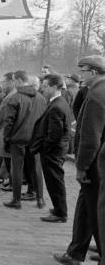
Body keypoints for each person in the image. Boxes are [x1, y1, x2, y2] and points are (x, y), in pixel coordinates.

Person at [54, 55, 105, 265]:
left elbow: (90, 137)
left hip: (95, 162)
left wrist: (82, 167)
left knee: (95, 209)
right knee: (87, 207)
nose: (80, 74)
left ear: (93, 72)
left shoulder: (96, 94)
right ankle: (76, 252)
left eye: (82, 70)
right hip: (99, 160)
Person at [2, 70, 47, 209]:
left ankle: (16, 200)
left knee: (17, 169)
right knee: (36, 169)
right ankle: (40, 199)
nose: (13, 83)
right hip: (35, 140)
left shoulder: (14, 98)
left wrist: (6, 139)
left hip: (18, 139)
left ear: (20, 80)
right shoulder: (41, 98)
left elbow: (8, 122)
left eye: (14, 80)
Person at [33, 74, 72, 222]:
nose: (43, 88)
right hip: (57, 149)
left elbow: (54, 134)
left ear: (55, 87)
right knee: (55, 181)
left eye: (46, 86)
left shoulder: (56, 105)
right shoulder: (59, 102)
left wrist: (46, 149)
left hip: (53, 151)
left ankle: (60, 213)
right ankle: (58, 208)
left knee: (55, 181)